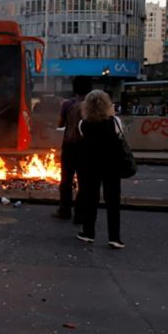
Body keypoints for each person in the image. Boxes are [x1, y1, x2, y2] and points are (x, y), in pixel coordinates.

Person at [76, 90, 125, 249]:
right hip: (112, 165)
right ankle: (114, 238)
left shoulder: (83, 124)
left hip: (90, 166)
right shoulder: (115, 122)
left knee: (91, 199)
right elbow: (120, 138)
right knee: (113, 201)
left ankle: (88, 233)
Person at [53, 75, 92, 222]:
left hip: (69, 146)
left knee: (66, 180)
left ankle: (64, 210)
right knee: (84, 181)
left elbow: (60, 125)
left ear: (74, 88)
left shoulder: (67, 105)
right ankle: (80, 213)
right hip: (86, 147)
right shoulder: (94, 105)